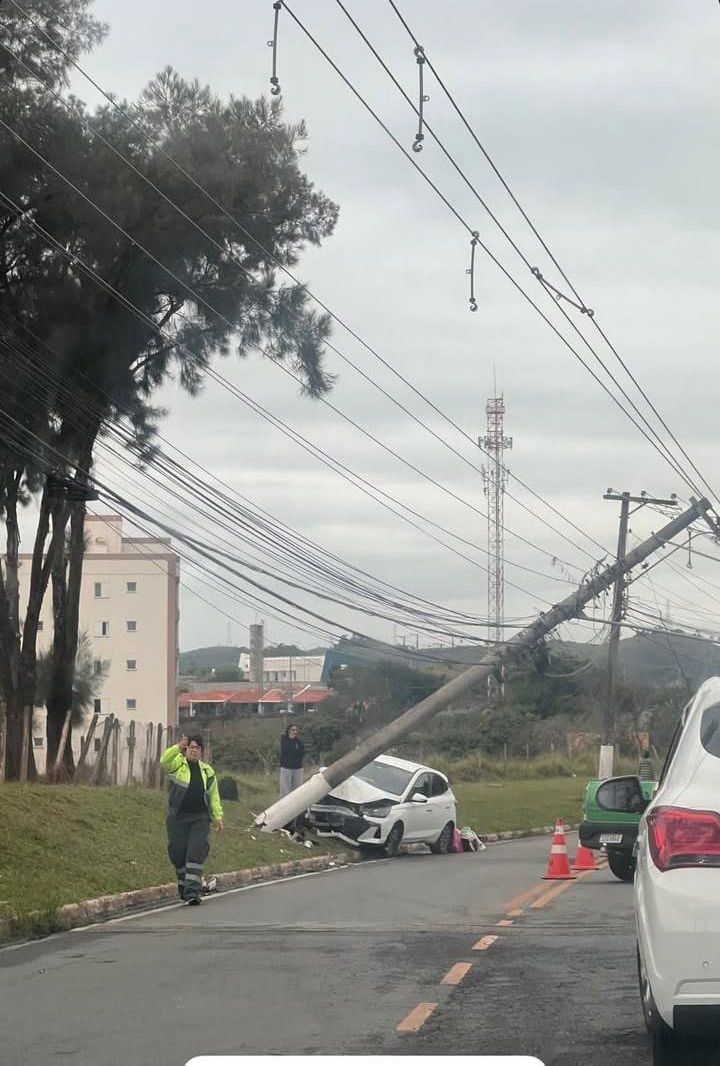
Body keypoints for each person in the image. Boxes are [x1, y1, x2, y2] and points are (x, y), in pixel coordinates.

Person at [160, 734, 224, 905]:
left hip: (200, 818)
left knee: (195, 854)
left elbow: (214, 796)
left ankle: (193, 893)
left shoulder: (207, 771)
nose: (194, 750)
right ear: (186, 749)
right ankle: (184, 890)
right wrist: (178, 747)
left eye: (197, 748)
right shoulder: (177, 765)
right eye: (191, 747)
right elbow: (164, 761)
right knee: (178, 854)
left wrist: (218, 816)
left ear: (201, 751)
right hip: (178, 818)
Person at [279, 723, 305, 798]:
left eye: (296, 730)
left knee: (297, 790)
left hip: (298, 768)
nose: (295, 732)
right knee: (285, 790)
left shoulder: (299, 741)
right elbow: (286, 750)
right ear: (288, 731)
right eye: (293, 730)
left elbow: (302, 752)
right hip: (286, 768)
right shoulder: (284, 740)